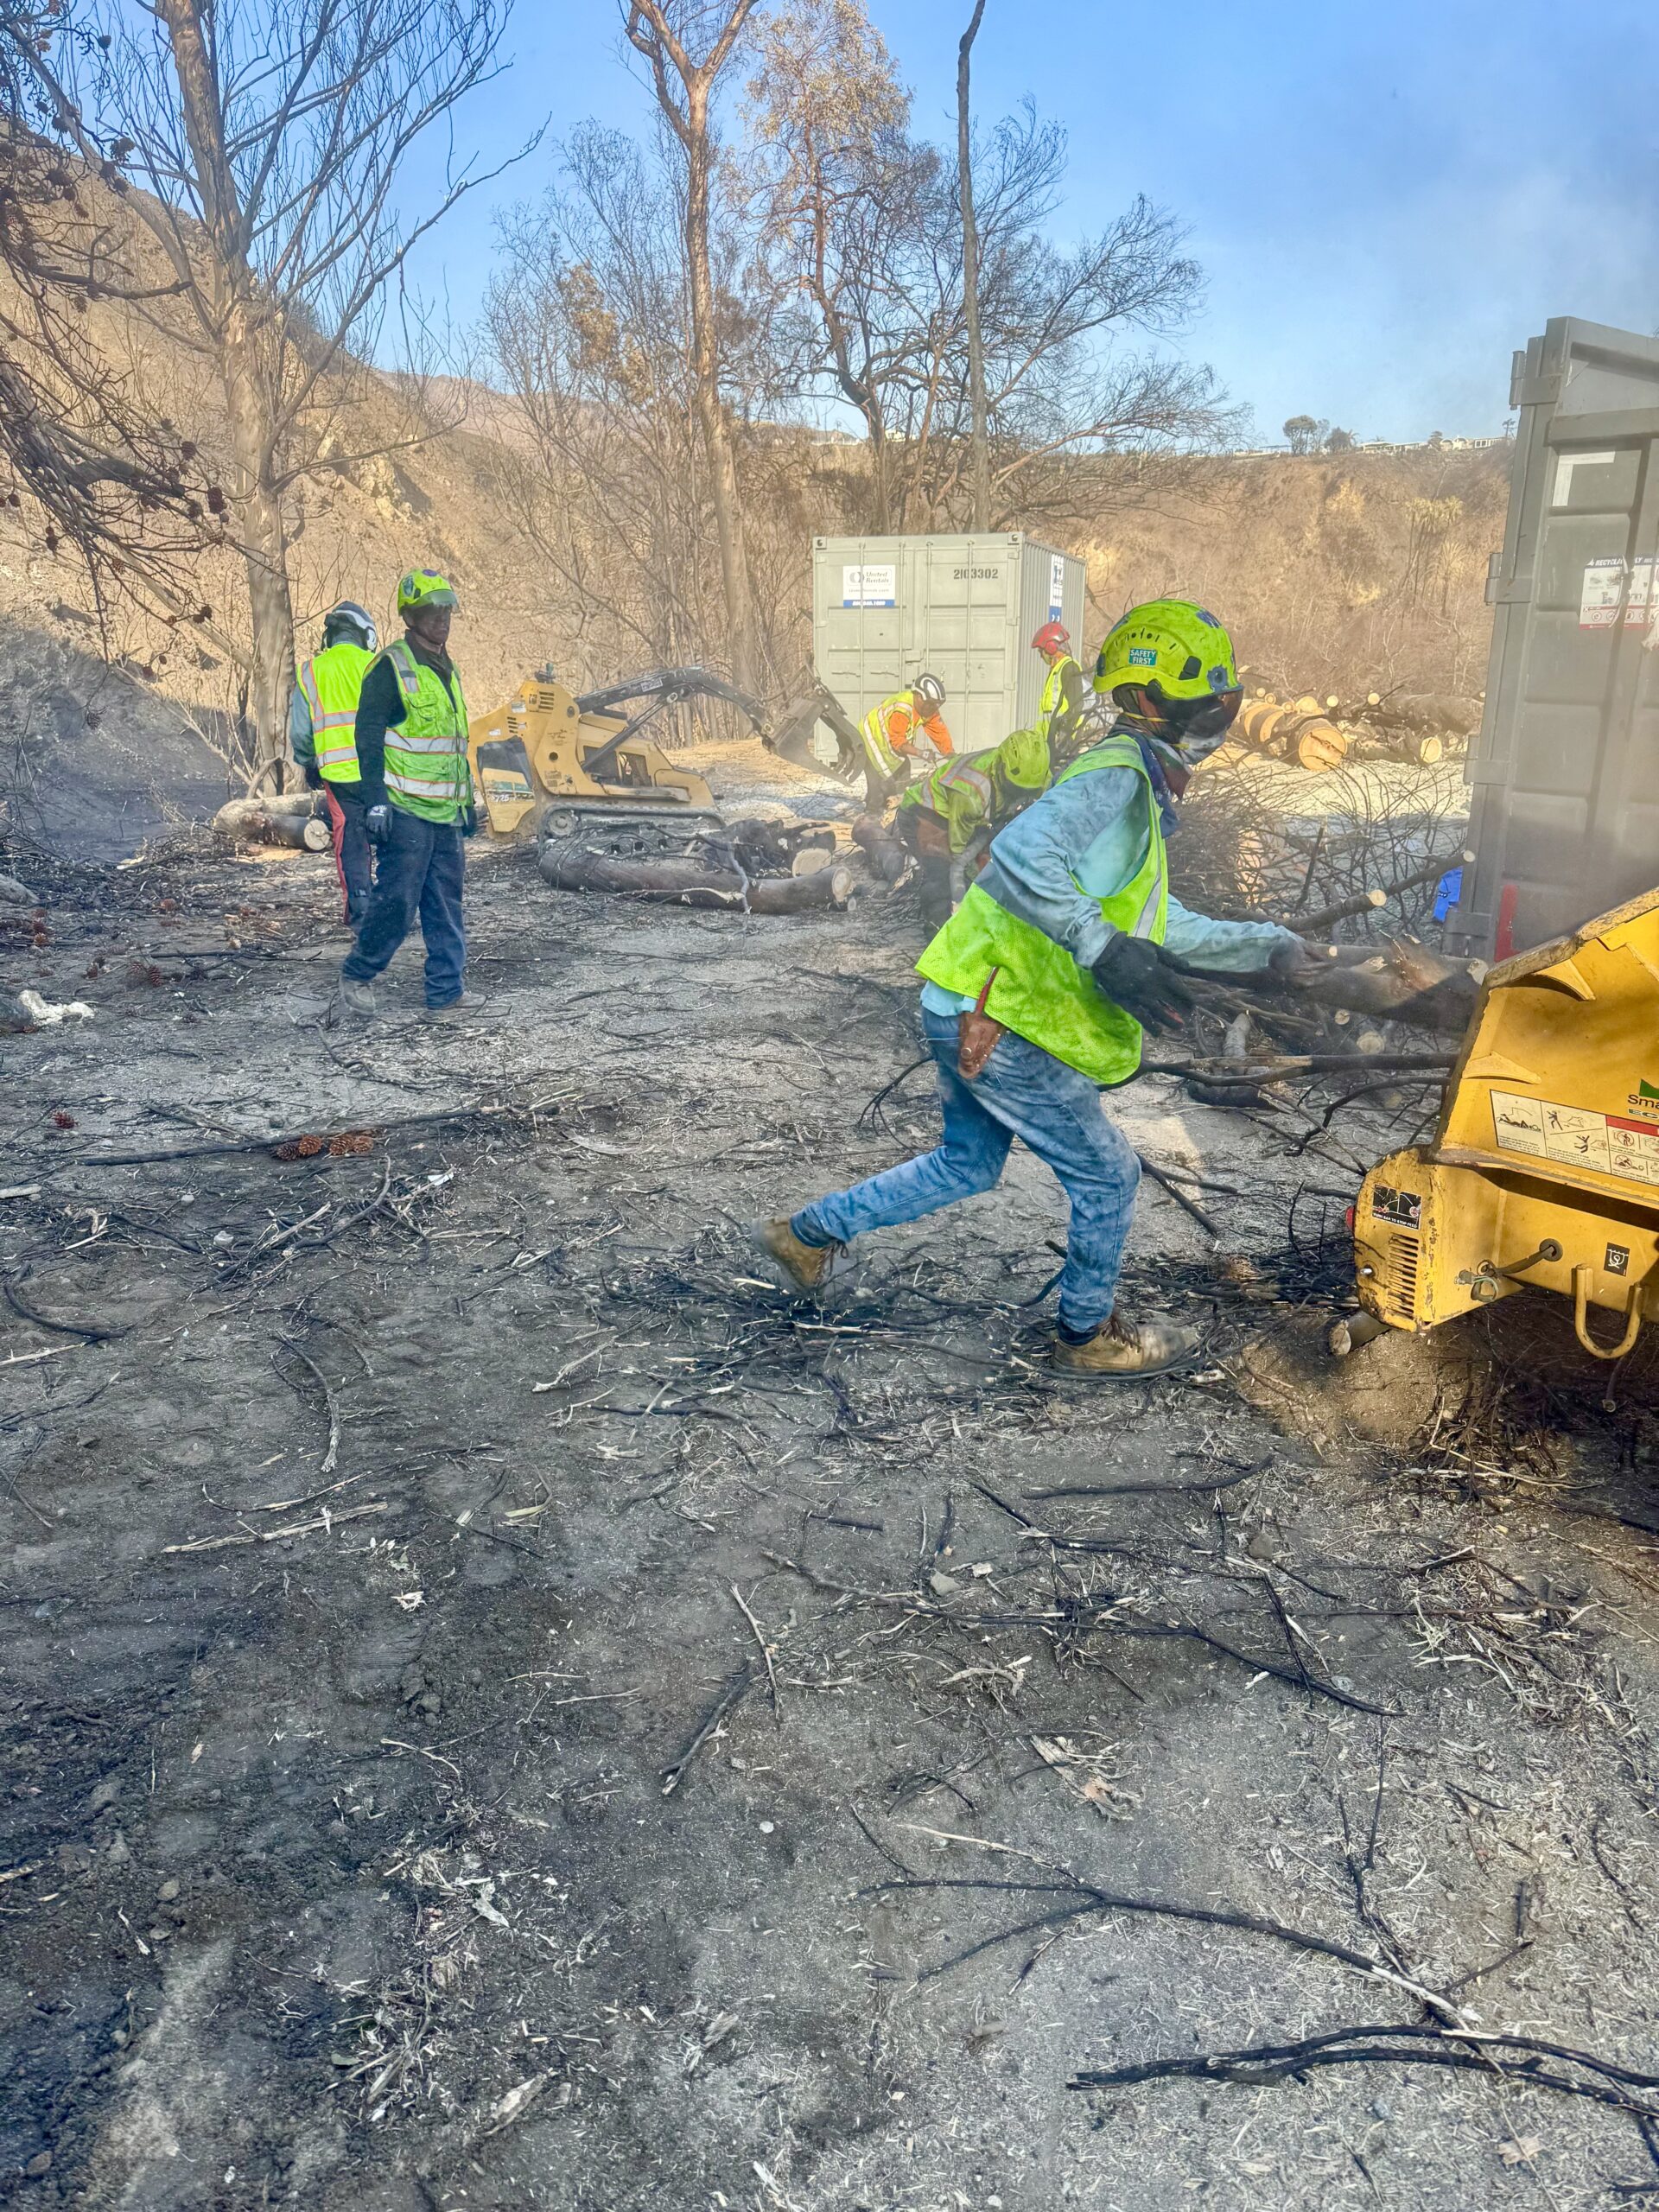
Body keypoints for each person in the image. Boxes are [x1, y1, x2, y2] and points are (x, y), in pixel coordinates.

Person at [748, 599, 1319, 1380]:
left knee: (966, 1164)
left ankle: (805, 1235)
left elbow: (1160, 918)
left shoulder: (1136, 787)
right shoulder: (1116, 775)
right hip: (997, 1016)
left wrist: (1272, 949)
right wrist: (1101, 945)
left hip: (964, 1002)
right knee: (1109, 1173)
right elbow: (1018, 852)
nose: (1218, 711)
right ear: (1147, 700)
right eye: (1203, 697)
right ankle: (1086, 1338)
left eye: (1223, 696)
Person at [333, 569, 479, 1024]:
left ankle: (445, 993)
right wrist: (376, 799)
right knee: (397, 901)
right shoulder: (391, 666)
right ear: (410, 616)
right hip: (406, 808)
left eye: (446, 610)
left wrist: (466, 800)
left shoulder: (445, 665)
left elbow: (452, 740)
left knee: (445, 903)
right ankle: (357, 973)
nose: (442, 620)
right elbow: (368, 735)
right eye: (431, 612)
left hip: (445, 810)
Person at [894, 726, 1055, 929]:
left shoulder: (1036, 775)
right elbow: (958, 852)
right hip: (926, 812)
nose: (1020, 796)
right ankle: (938, 930)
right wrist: (978, 880)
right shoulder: (971, 794)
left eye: (1027, 791)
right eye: (1016, 789)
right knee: (942, 873)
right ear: (1000, 769)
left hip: (971, 817)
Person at [291, 600, 378, 927]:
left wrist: (309, 762)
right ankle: (393, 907)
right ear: (365, 634)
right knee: (392, 838)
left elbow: (301, 733)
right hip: (381, 772)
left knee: (350, 839)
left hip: (337, 774)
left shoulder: (310, 672)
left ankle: (360, 907)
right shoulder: (378, 665)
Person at [857, 673, 951, 805]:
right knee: (878, 786)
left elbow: (939, 732)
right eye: (930, 704)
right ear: (918, 697)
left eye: (936, 705)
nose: (933, 708)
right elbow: (898, 742)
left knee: (903, 770)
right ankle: (873, 813)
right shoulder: (902, 709)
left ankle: (900, 805)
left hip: (887, 743)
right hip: (870, 742)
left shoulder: (928, 709)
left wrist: (950, 754)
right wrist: (922, 753)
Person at [1031, 620, 1087, 760]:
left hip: (1064, 742)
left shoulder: (1069, 668)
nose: (1040, 656)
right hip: (1049, 743)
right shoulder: (1055, 670)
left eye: (1041, 651)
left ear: (1050, 648)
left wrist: (1065, 735)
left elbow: (1077, 705)